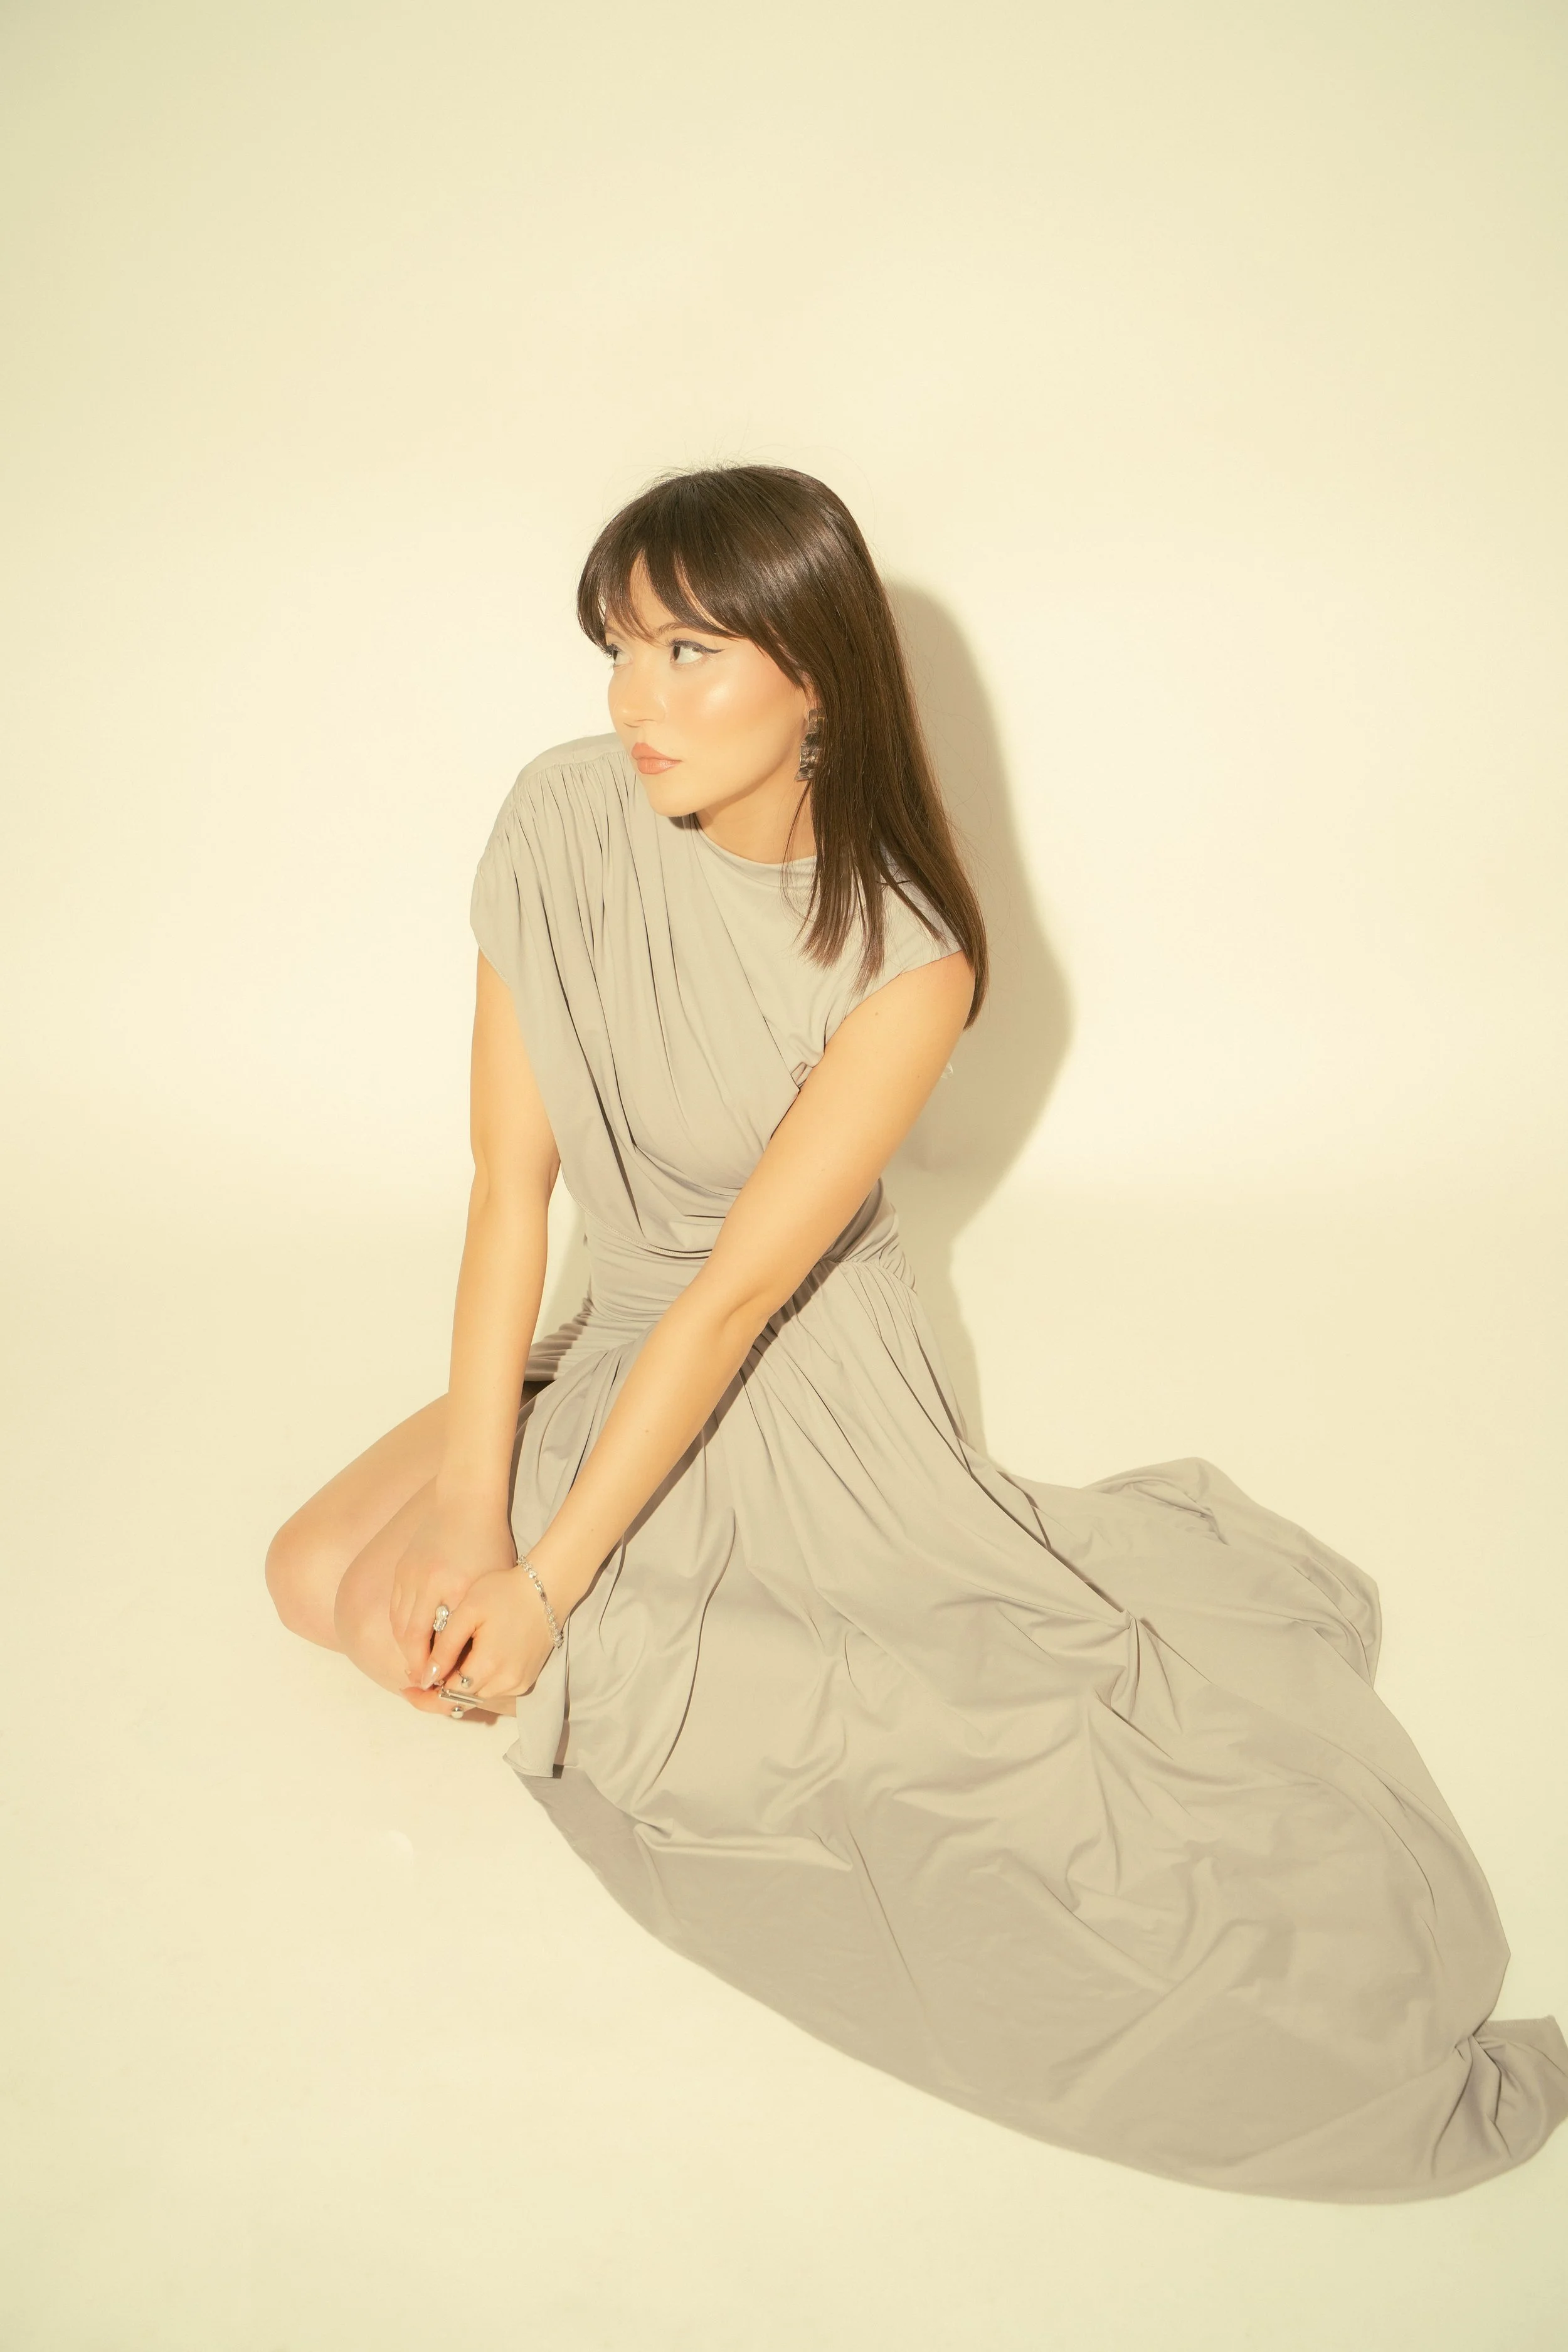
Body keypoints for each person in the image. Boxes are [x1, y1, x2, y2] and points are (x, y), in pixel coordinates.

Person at [265, 462, 1567, 2202]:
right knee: (313, 1579)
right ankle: (529, 1524)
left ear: (816, 675)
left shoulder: (906, 954)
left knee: (466, 1640)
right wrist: (467, 1522)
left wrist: (543, 1576)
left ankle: (655, 1581)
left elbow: (735, 1292)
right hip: (618, 1307)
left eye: (687, 655)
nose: (630, 703)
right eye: (618, 650)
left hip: (791, 1367)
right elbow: (512, 1191)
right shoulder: (559, 817)